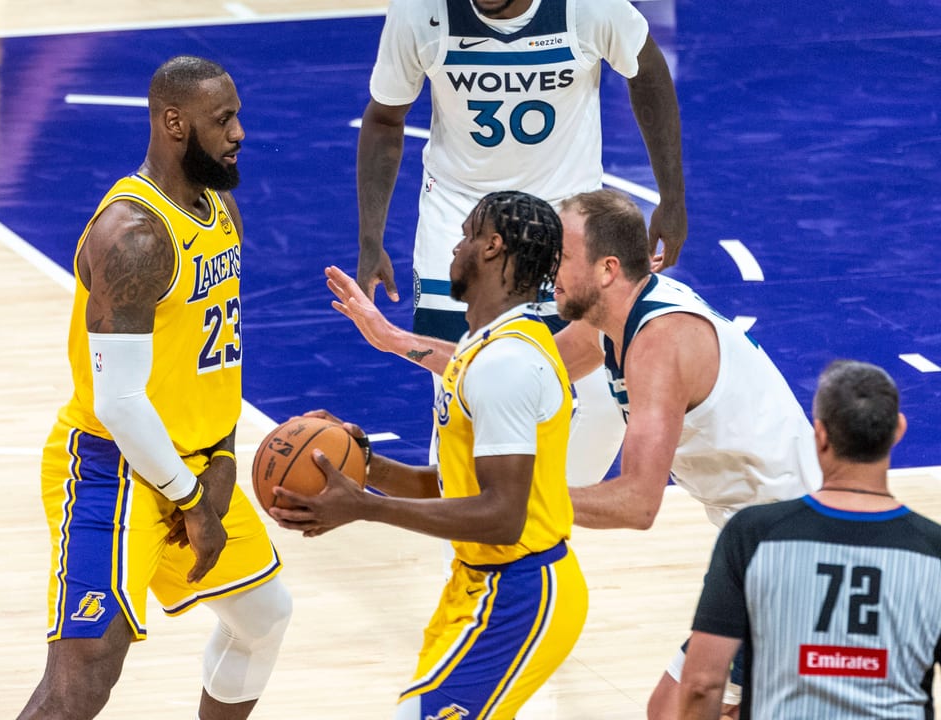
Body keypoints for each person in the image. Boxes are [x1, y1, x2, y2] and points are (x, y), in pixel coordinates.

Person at [324, 188, 822, 718]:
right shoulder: (610, 322)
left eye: (562, 257)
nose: (548, 270)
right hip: (758, 542)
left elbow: (638, 504)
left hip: (794, 551)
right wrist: (394, 339)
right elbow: (504, 363)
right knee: (684, 708)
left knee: (680, 708)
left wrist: (519, 500)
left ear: (607, 269)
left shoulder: (660, 343)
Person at [18, 56, 292, 720]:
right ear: (175, 122)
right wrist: (194, 502)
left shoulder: (219, 208)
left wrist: (223, 456)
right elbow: (118, 404)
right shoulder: (134, 236)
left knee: (262, 613)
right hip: (115, 471)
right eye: (223, 119)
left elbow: (212, 353)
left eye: (237, 116)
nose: (240, 133)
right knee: (82, 682)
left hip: (197, 462)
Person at [271, 191, 588, 720]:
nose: (456, 247)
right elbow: (451, 488)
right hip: (482, 583)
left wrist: (366, 508)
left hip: (521, 591)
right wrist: (363, 464)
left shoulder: (506, 363)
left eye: (466, 234)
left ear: (492, 247)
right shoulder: (481, 347)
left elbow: (503, 517)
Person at [356, 0, 687, 484]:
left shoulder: (588, 8)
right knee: (463, 392)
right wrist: (371, 237)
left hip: (564, 220)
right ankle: (475, 543)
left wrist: (672, 197)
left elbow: (648, 70)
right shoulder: (420, 12)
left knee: (599, 393)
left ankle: (547, 518)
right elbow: (384, 118)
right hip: (462, 221)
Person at [679, 360, 941, 720]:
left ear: (819, 435)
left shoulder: (751, 534)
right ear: (898, 431)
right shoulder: (934, 549)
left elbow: (701, 684)